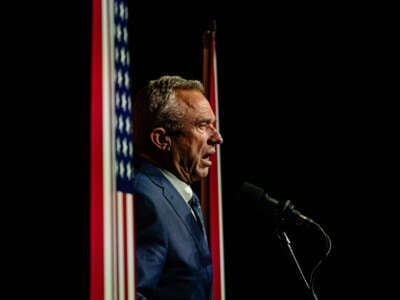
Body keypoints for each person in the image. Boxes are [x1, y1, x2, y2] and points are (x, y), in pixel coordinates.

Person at [132, 75, 224, 300]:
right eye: (203, 125)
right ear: (162, 139)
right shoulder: (145, 199)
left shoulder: (178, 195)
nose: (218, 138)